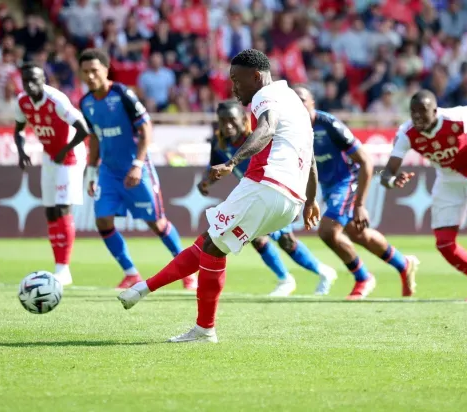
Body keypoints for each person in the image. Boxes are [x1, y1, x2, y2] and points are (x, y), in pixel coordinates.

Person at [117, 49, 320, 343]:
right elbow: (309, 156)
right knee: (210, 242)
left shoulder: (265, 96)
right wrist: (311, 199)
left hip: (267, 185)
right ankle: (144, 289)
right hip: (291, 202)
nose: (233, 88)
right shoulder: (294, 102)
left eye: (237, 80)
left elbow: (267, 128)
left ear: (256, 76)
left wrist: (233, 161)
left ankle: (204, 328)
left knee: (213, 246)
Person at [59, 48, 195, 290]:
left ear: (105, 70)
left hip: (136, 168)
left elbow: (146, 129)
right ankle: (131, 273)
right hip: (108, 172)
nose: (90, 76)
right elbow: (95, 138)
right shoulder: (86, 103)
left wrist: (137, 164)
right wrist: (91, 172)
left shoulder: (123, 94)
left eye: (94, 71)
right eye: (85, 72)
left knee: (157, 223)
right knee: (102, 221)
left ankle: (187, 272)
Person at [198, 100, 337, 296]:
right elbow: (215, 167)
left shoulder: (256, 138)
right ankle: (288, 278)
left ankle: (317, 273)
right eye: (223, 121)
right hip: (254, 197)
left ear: (243, 120)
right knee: (257, 238)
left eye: (232, 120)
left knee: (285, 241)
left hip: (275, 193)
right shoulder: (219, 142)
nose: (227, 125)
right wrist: (206, 181)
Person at [294, 86, 419, 299]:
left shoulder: (330, 125)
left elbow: (365, 161)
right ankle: (403, 264)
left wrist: (360, 205)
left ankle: (363, 277)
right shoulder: (292, 129)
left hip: (347, 182)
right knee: (359, 234)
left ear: (312, 102)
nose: (298, 106)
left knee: (327, 231)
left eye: (302, 101)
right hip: (328, 186)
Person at [381, 90, 467, 302]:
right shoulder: (407, 133)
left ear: (435, 111)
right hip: (447, 181)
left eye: (422, 111)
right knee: (444, 244)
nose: (417, 116)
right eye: (413, 112)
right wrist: (392, 180)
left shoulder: (456, 117)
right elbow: (387, 173)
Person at [13, 63, 90, 286]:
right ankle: (58, 265)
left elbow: (83, 129)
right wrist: (21, 152)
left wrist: (65, 150)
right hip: (49, 156)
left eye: (35, 80)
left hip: (70, 155)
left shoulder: (56, 100)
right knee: (50, 211)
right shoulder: (22, 101)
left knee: (63, 207)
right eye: (26, 81)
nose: (30, 85)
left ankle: (64, 270)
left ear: (43, 80)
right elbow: (18, 130)